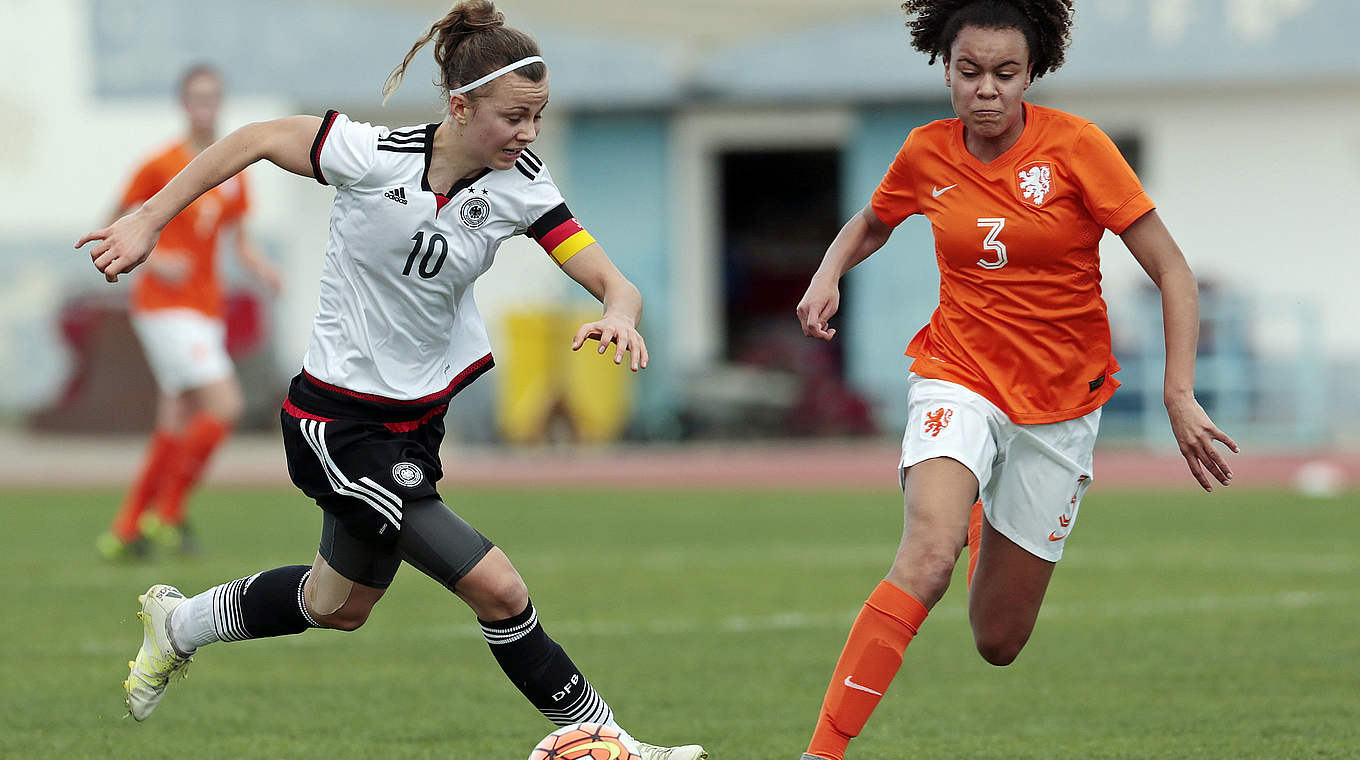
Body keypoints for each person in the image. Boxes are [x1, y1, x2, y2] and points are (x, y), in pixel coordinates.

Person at [75, 3, 705, 758]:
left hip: (414, 426)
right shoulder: (369, 153)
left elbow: (613, 281)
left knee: (336, 605)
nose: (529, 134)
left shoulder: (522, 186)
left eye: (538, 117)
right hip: (336, 424)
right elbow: (252, 140)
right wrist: (148, 218)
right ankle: (615, 744)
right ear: (460, 105)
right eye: (515, 117)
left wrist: (621, 312)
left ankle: (179, 624)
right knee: (499, 588)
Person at [792, 1, 1238, 758]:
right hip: (956, 373)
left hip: (1061, 405)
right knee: (927, 558)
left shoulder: (1078, 148)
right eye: (969, 72)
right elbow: (873, 220)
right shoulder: (925, 152)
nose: (986, 89)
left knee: (997, 640)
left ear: (1033, 74)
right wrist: (830, 270)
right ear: (946, 70)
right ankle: (819, 753)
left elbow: (1172, 270)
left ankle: (982, 510)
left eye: (1005, 73)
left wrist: (1178, 391)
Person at [96, 63, 282, 560]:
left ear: (219, 103)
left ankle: (126, 529)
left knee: (176, 419)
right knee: (225, 406)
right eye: (196, 98)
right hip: (163, 307)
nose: (205, 106)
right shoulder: (161, 163)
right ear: (184, 104)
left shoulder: (232, 171)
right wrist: (155, 258)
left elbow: (239, 242)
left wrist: (262, 269)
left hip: (204, 307)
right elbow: (113, 219)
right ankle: (168, 513)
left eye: (212, 97)